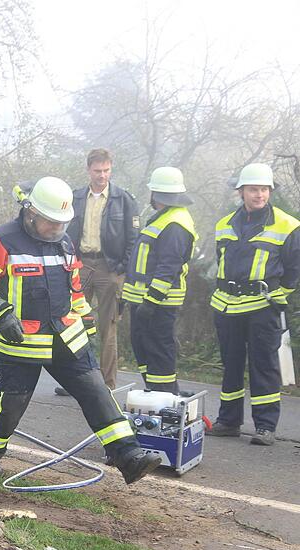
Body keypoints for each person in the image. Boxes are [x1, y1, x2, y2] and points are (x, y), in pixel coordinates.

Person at [0, 176, 160, 484]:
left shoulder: (65, 242)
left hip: (67, 339)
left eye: (62, 223)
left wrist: (87, 325)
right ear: (31, 213)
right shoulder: (2, 240)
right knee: (12, 404)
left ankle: (129, 456)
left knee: (97, 392)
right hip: (21, 343)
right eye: (52, 222)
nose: (58, 228)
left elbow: (75, 290)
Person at [206, 163, 300, 446]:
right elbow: (221, 261)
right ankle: (228, 421)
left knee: (264, 366)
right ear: (241, 192)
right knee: (231, 364)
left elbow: (294, 269)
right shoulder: (224, 224)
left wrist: (278, 295)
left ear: (270, 191)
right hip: (227, 305)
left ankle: (265, 427)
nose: (259, 195)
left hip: (263, 306)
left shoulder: (287, 225)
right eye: (253, 189)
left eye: (264, 189)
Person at [57, 148, 141, 394]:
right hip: (80, 265)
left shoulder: (124, 199)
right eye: (97, 171)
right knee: (73, 325)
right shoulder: (75, 197)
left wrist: (120, 270)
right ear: (88, 170)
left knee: (108, 328)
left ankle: (106, 386)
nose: (102, 175)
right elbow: (61, 230)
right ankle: (75, 382)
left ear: (111, 169)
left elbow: (133, 239)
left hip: (109, 268)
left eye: (106, 170)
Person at [121, 167, 198, 394]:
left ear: (155, 193)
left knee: (158, 351)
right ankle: (158, 392)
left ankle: (164, 397)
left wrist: (151, 301)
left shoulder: (175, 223)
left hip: (158, 303)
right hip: (144, 300)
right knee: (145, 349)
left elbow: (168, 267)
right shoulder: (165, 217)